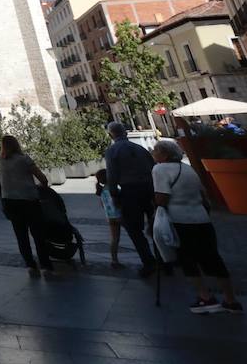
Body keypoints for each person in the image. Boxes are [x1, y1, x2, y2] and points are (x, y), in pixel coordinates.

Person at [151, 139, 242, 314]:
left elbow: (162, 198)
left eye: (155, 151)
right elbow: (203, 195)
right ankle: (231, 300)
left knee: (188, 260)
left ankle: (205, 297)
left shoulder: (159, 169)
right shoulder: (187, 168)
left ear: (164, 154)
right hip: (201, 218)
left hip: (180, 220)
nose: (153, 154)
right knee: (213, 259)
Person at [103, 121, 157, 277]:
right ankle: (164, 259)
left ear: (111, 135)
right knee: (154, 225)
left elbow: (111, 175)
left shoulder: (112, 151)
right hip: (148, 189)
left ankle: (148, 262)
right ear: (125, 133)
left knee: (134, 229)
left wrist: (114, 195)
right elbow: (153, 167)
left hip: (129, 191)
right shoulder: (140, 148)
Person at [0, 135, 53, 277]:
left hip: (9, 201)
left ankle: (30, 265)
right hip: (28, 200)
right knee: (38, 234)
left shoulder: (0, 161)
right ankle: (45, 266)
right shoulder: (24, 159)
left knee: (21, 235)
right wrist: (40, 187)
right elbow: (43, 179)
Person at [93, 169, 122, 267]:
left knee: (114, 239)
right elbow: (118, 203)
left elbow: (103, 205)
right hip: (119, 216)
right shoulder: (114, 190)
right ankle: (115, 261)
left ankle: (114, 260)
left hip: (110, 217)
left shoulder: (102, 191)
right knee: (120, 237)